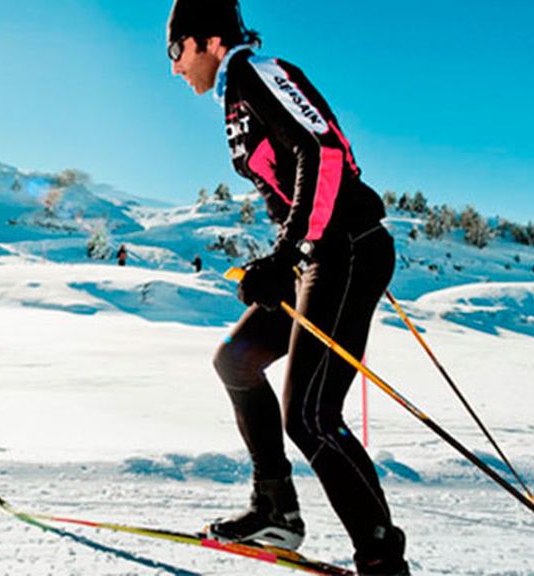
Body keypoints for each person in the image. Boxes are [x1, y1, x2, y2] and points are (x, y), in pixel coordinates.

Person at [166, 1, 409, 574]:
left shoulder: (258, 71)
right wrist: (286, 256)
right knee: (237, 360)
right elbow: (291, 180)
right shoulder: (235, 94)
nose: (175, 67)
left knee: (311, 415)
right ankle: (275, 509)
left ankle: (381, 559)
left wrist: (287, 253)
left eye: (175, 51)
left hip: (343, 248)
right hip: (316, 256)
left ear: (205, 41)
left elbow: (323, 152)